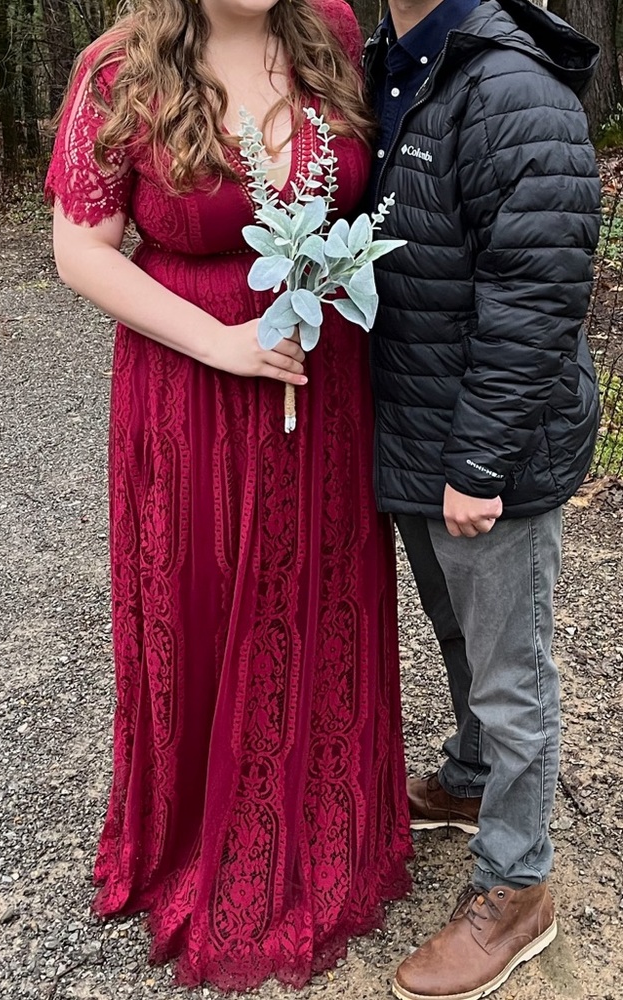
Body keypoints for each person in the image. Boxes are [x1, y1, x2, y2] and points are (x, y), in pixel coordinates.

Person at [45, 0, 412, 990]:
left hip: (318, 385)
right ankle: (196, 837)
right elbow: (79, 248)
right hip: (187, 389)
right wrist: (220, 344)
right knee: (197, 603)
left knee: (314, 602)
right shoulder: (118, 70)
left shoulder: (332, 31)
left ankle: (322, 824)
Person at [363, 1, 602, 998]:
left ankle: (517, 885)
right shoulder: (386, 60)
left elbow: (537, 291)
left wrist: (479, 462)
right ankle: (469, 779)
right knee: (460, 634)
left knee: (511, 670)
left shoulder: (511, 86)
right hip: (420, 429)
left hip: (483, 450)